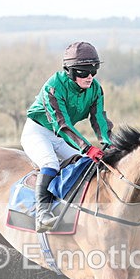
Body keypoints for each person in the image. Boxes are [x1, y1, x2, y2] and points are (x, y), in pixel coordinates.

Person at [21, 41, 113, 232]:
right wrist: (87, 148)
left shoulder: (95, 89)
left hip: (60, 136)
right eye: (83, 72)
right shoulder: (53, 87)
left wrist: (109, 143)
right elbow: (62, 125)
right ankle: (42, 214)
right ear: (69, 71)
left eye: (93, 71)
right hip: (37, 132)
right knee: (51, 164)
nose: (90, 77)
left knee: (82, 164)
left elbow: (99, 120)